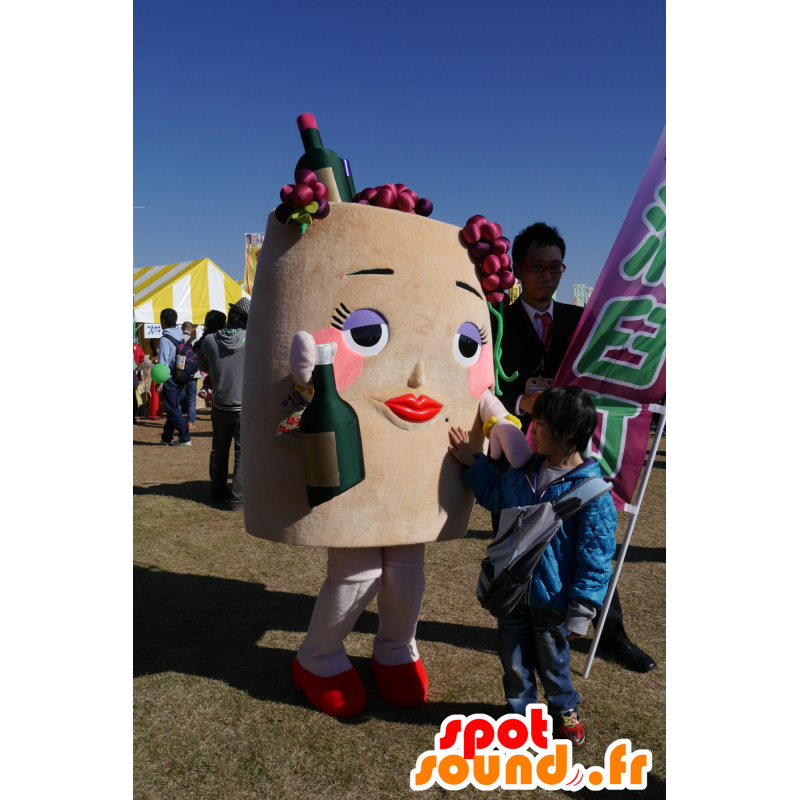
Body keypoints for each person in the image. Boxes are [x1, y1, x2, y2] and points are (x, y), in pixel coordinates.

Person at [490, 221, 656, 673]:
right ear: (519, 269)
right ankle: (519, 630)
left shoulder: (580, 322)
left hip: (570, 457)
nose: (547, 275)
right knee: (516, 549)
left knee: (589, 542)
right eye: (537, 266)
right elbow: (475, 384)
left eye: (556, 266)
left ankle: (611, 633)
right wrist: (521, 401)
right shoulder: (494, 321)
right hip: (514, 457)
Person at [448, 387, 616, 745]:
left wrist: (581, 610)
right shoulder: (522, 472)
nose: (532, 431)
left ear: (568, 430)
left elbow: (596, 557)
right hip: (511, 591)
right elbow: (494, 496)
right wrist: (474, 463)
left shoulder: (593, 492)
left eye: (539, 424)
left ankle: (563, 709)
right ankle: (521, 719)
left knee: (554, 662)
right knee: (513, 660)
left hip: (553, 601)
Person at [195, 299, 249, 510]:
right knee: (241, 452)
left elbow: (203, 364)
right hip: (244, 406)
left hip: (219, 403)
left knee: (218, 449)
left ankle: (217, 491)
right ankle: (237, 497)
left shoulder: (209, 340)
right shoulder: (252, 338)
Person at [156, 308, 192, 447]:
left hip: (169, 377)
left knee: (172, 409)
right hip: (180, 376)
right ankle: (166, 437)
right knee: (174, 407)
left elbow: (162, 362)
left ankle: (185, 437)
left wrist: (160, 381)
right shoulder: (179, 335)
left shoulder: (165, 339)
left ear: (163, 321)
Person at [179, 321, 200, 430]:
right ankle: (190, 422)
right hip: (193, 372)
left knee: (179, 396)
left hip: (180, 372)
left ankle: (178, 420)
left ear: (182, 328)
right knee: (191, 398)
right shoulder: (194, 341)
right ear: (191, 330)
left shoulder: (178, 340)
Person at [133, 340, 145, 423]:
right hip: (133, 371)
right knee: (133, 396)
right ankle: (132, 417)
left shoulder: (135, 346)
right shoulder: (135, 346)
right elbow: (142, 357)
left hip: (133, 371)